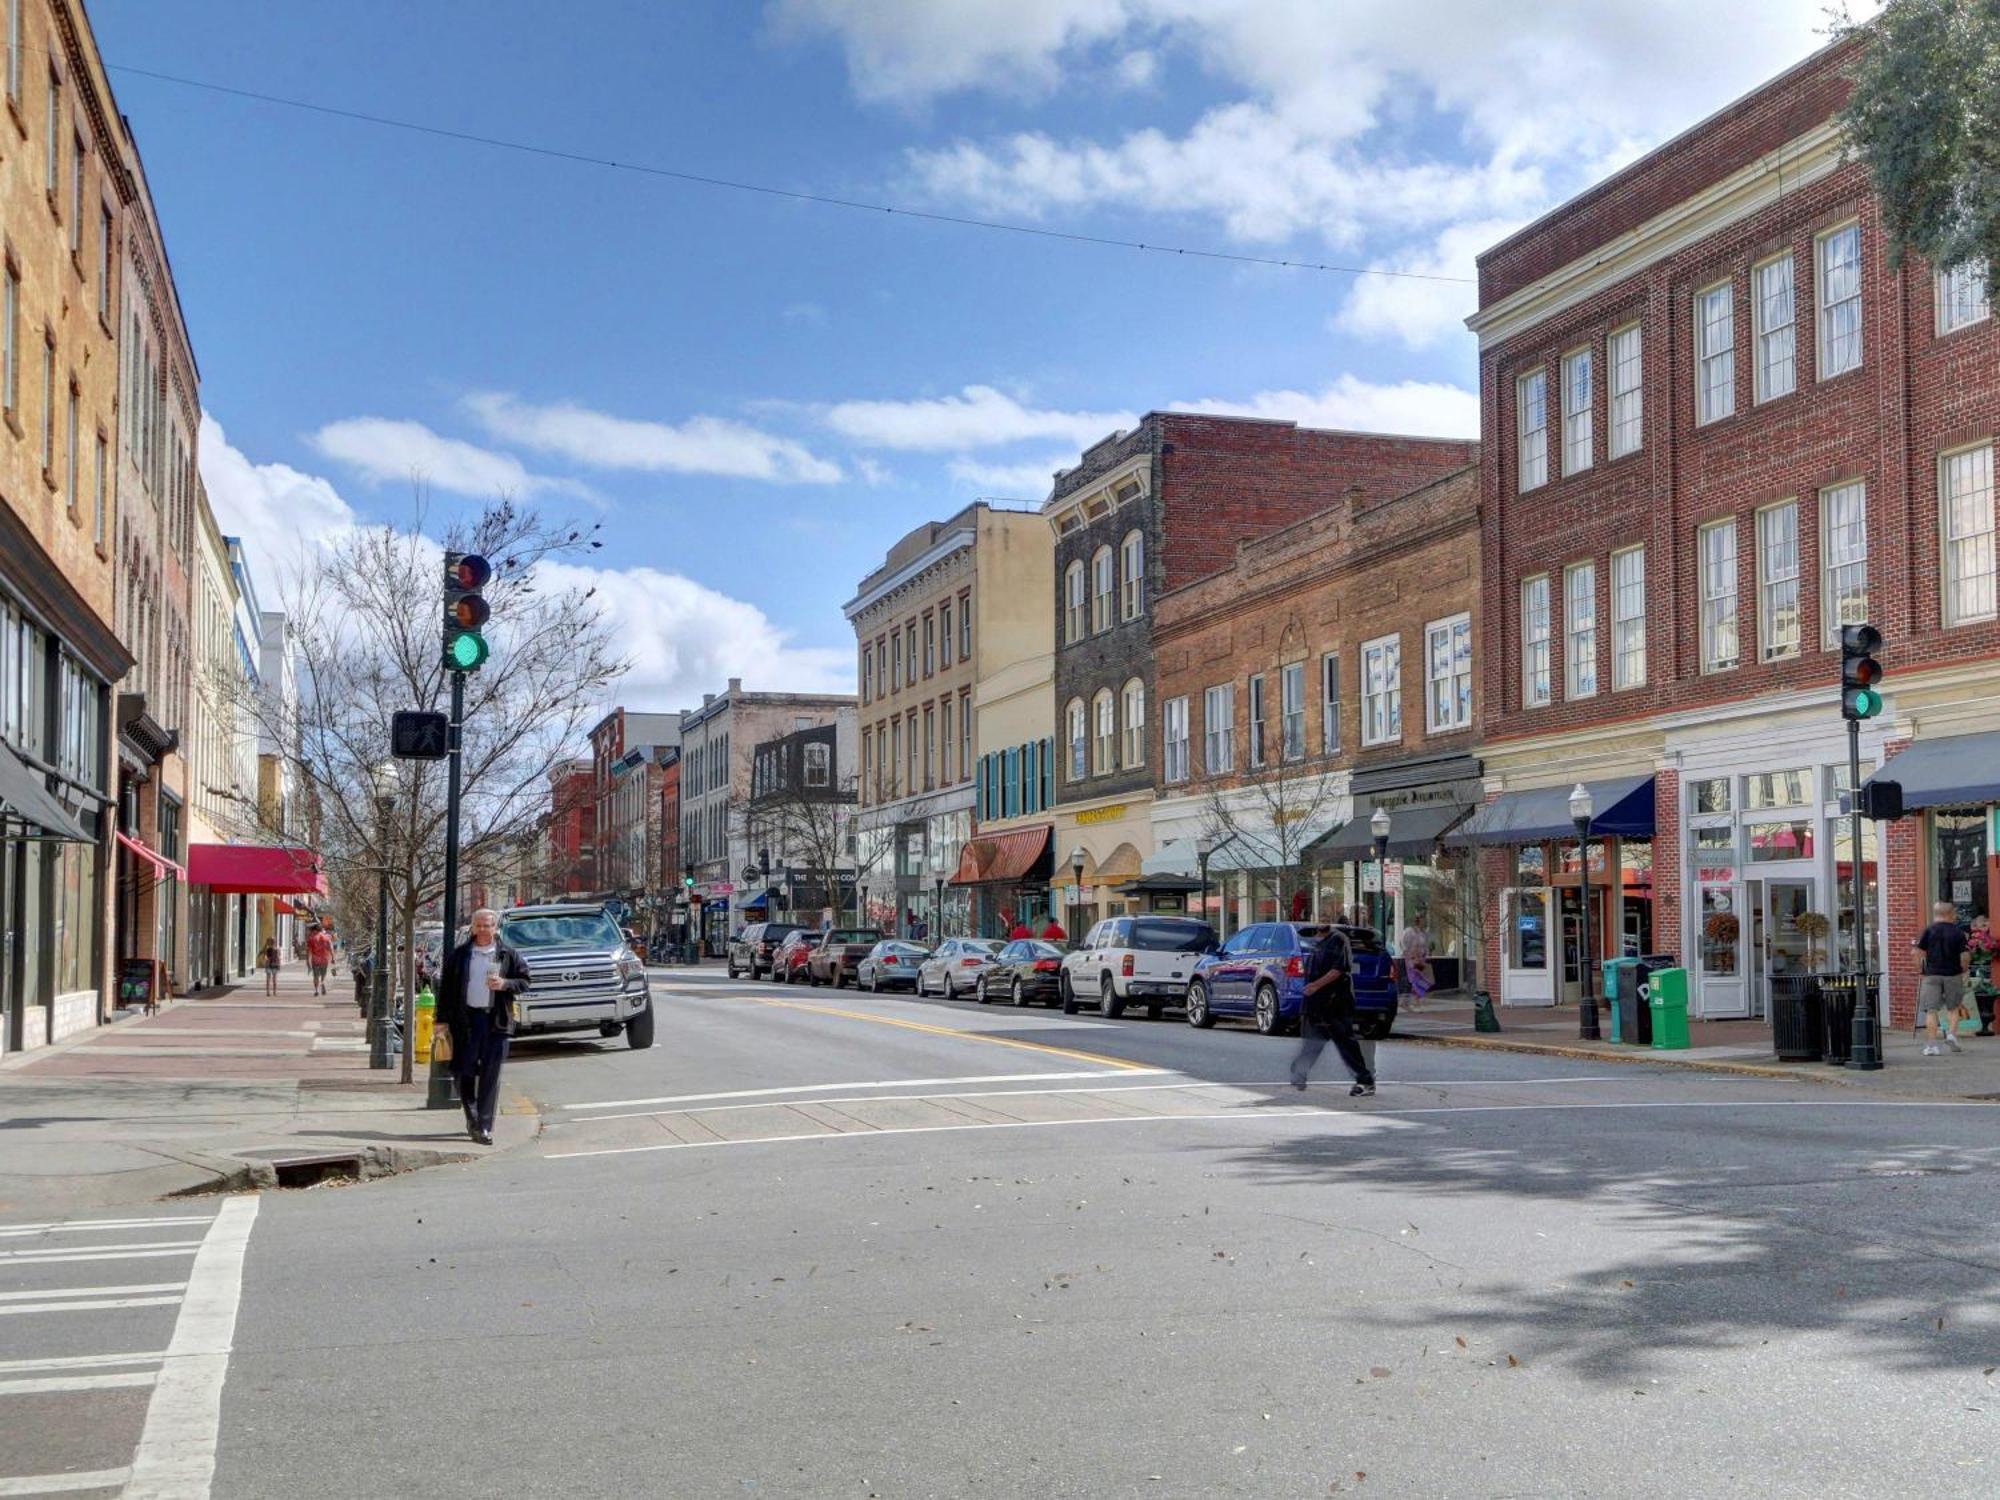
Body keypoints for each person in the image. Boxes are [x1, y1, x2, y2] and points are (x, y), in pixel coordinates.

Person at [435, 908, 532, 1143]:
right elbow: (446, 990)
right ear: (472, 927)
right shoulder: (460, 955)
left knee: (491, 1074)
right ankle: (473, 1115)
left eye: (487, 925)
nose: (482, 929)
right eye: (478, 925)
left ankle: (484, 1125)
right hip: (466, 1022)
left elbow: (525, 981)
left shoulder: (508, 954)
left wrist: (505, 984)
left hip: (496, 1021)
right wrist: (441, 1021)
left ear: (495, 927)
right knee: (462, 1071)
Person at [1291, 924, 1376, 1097]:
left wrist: (1315, 986)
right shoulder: (1316, 942)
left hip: (1336, 1001)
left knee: (1345, 1042)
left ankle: (1365, 1081)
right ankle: (1300, 1070)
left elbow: (1338, 970)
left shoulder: (1337, 939)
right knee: (1314, 1040)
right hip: (1317, 1003)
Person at [1913, 900, 1970, 1057]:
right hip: (1953, 974)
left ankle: (1932, 1046)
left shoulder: (1928, 930)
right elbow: (1965, 955)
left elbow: (1917, 952)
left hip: (1932, 974)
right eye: (1955, 913)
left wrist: (1921, 969)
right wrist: (1963, 969)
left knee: (1931, 1010)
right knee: (1954, 1008)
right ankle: (1951, 1035)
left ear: (1936, 913)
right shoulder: (1958, 932)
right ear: (1950, 914)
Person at [1396, 915, 1433, 1009]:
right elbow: (1402, 942)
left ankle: (1409, 1000)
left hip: (1421, 959)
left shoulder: (1423, 933)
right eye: (1422, 921)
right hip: (1412, 959)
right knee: (1415, 979)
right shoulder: (1410, 931)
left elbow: (1425, 946)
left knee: (1420, 979)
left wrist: (1426, 954)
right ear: (1418, 921)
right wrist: (1407, 953)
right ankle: (1414, 1001)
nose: (1423, 923)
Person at [305, 926, 334, 996]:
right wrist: (333, 958)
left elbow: (308, 951)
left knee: (316, 976)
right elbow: (330, 948)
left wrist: (308, 961)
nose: (311, 932)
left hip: (315, 960)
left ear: (314, 930)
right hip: (325, 959)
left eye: (312, 931)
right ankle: (323, 982)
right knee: (323, 974)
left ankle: (316, 990)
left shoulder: (311, 939)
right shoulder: (327, 937)